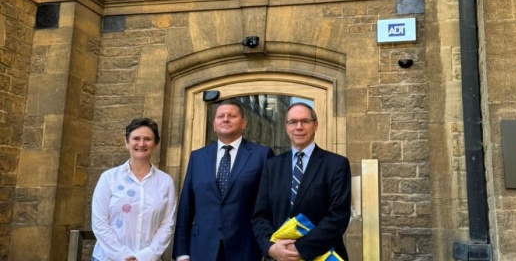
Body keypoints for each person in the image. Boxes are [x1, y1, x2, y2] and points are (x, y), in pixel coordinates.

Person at [173, 100, 274, 260]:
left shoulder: (261, 155)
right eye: (220, 116)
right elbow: (186, 205)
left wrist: (267, 246)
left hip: (246, 248)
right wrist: (181, 252)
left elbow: (268, 205)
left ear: (244, 123)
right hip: (202, 248)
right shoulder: (197, 157)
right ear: (214, 124)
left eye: (232, 116)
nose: (225, 119)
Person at [252, 102, 352, 261]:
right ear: (286, 127)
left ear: (315, 126)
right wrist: (270, 247)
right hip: (279, 256)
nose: (298, 127)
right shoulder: (272, 165)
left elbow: (338, 216)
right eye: (293, 122)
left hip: (322, 255)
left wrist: (299, 248)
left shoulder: (336, 164)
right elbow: (260, 216)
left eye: (305, 121)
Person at [92, 118, 176, 261]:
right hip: (108, 258)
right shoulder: (108, 178)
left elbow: (168, 224)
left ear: (156, 143)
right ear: (126, 142)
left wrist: (145, 256)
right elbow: (99, 222)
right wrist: (122, 255)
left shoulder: (165, 181)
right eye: (136, 138)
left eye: (147, 139)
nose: (141, 144)